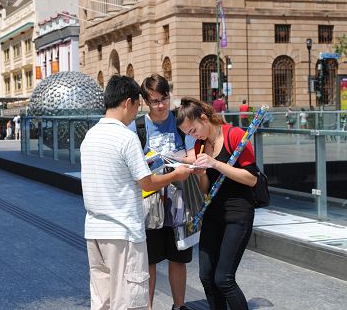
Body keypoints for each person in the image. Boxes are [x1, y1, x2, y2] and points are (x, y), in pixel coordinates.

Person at [80, 75, 193, 310]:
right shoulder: (127, 136)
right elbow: (148, 183)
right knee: (129, 300)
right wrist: (175, 175)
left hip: (94, 231)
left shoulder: (90, 136)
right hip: (123, 232)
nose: (136, 112)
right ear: (128, 102)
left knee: (102, 300)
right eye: (140, 105)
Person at [176, 97, 258, 310]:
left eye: (193, 130)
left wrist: (215, 163)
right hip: (213, 213)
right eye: (188, 134)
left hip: (238, 212)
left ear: (203, 118)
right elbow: (206, 190)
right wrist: (201, 174)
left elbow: (251, 178)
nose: (193, 136)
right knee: (206, 275)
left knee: (224, 278)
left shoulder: (235, 135)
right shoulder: (200, 144)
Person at [131, 74, 195, 310]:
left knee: (178, 258)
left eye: (164, 99)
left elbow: (192, 155)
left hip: (179, 203)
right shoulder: (138, 127)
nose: (160, 106)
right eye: (155, 101)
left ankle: (179, 306)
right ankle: (147, 306)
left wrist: (182, 161)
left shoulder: (180, 121)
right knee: (149, 260)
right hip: (149, 204)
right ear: (146, 102)